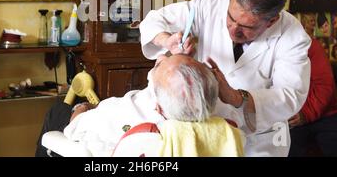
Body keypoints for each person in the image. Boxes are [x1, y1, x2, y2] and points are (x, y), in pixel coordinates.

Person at [139, 0, 311, 157]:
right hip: (204, 128)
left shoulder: (292, 35)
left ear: (271, 21)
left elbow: (291, 96)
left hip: (258, 139)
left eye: (247, 27)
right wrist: (166, 40)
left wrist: (235, 97)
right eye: (230, 18)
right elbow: (153, 20)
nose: (234, 30)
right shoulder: (209, 5)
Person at [36, 54, 245, 157]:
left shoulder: (121, 121)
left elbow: (75, 129)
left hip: (95, 122)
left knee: (58, 109)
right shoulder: (227, 130)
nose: (161, 56)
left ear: (159, 107)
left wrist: (80, 109)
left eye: (161, 64)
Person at [288, 38, 337, 157]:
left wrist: (306, 114)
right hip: (287, 119)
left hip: (325, 113)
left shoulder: (308, 44)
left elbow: (324, 86)